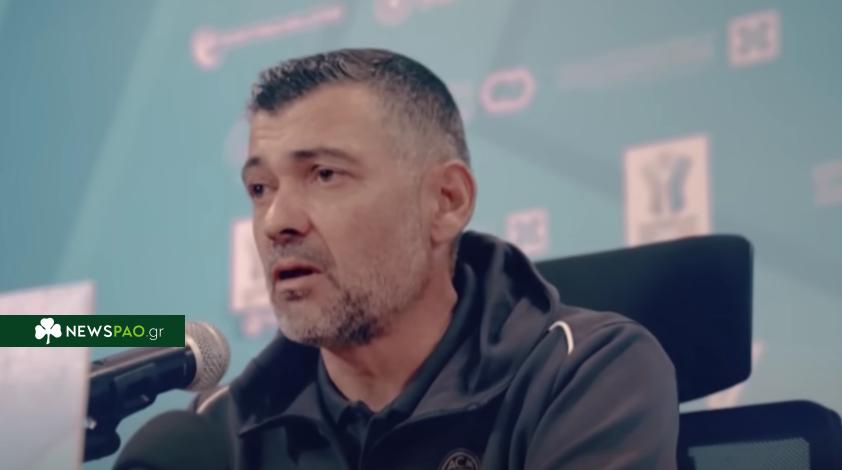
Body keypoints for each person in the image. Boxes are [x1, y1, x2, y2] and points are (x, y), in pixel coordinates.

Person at [194, 48, 678, 470]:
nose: (277, 221)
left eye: (324, 175)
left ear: (447, 201)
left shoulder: (587, 374)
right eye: (260, 188)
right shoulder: (223, 431)